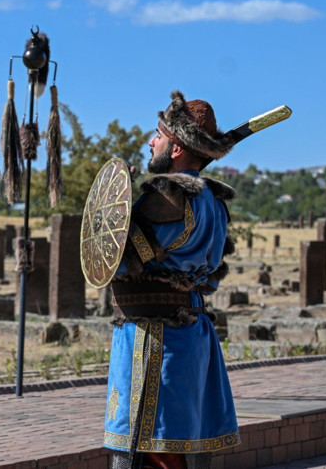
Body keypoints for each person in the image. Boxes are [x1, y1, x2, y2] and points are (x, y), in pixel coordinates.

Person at [102, 90, 240, 469]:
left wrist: (116, 212)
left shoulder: (168, 195)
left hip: (154, 339)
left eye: (158, 136)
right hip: (191, 334)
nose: (151, 142)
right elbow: (211, 274)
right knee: (181, 444)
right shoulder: (214, 200)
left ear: (176, 148)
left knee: (150, 449)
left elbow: (123, 258)